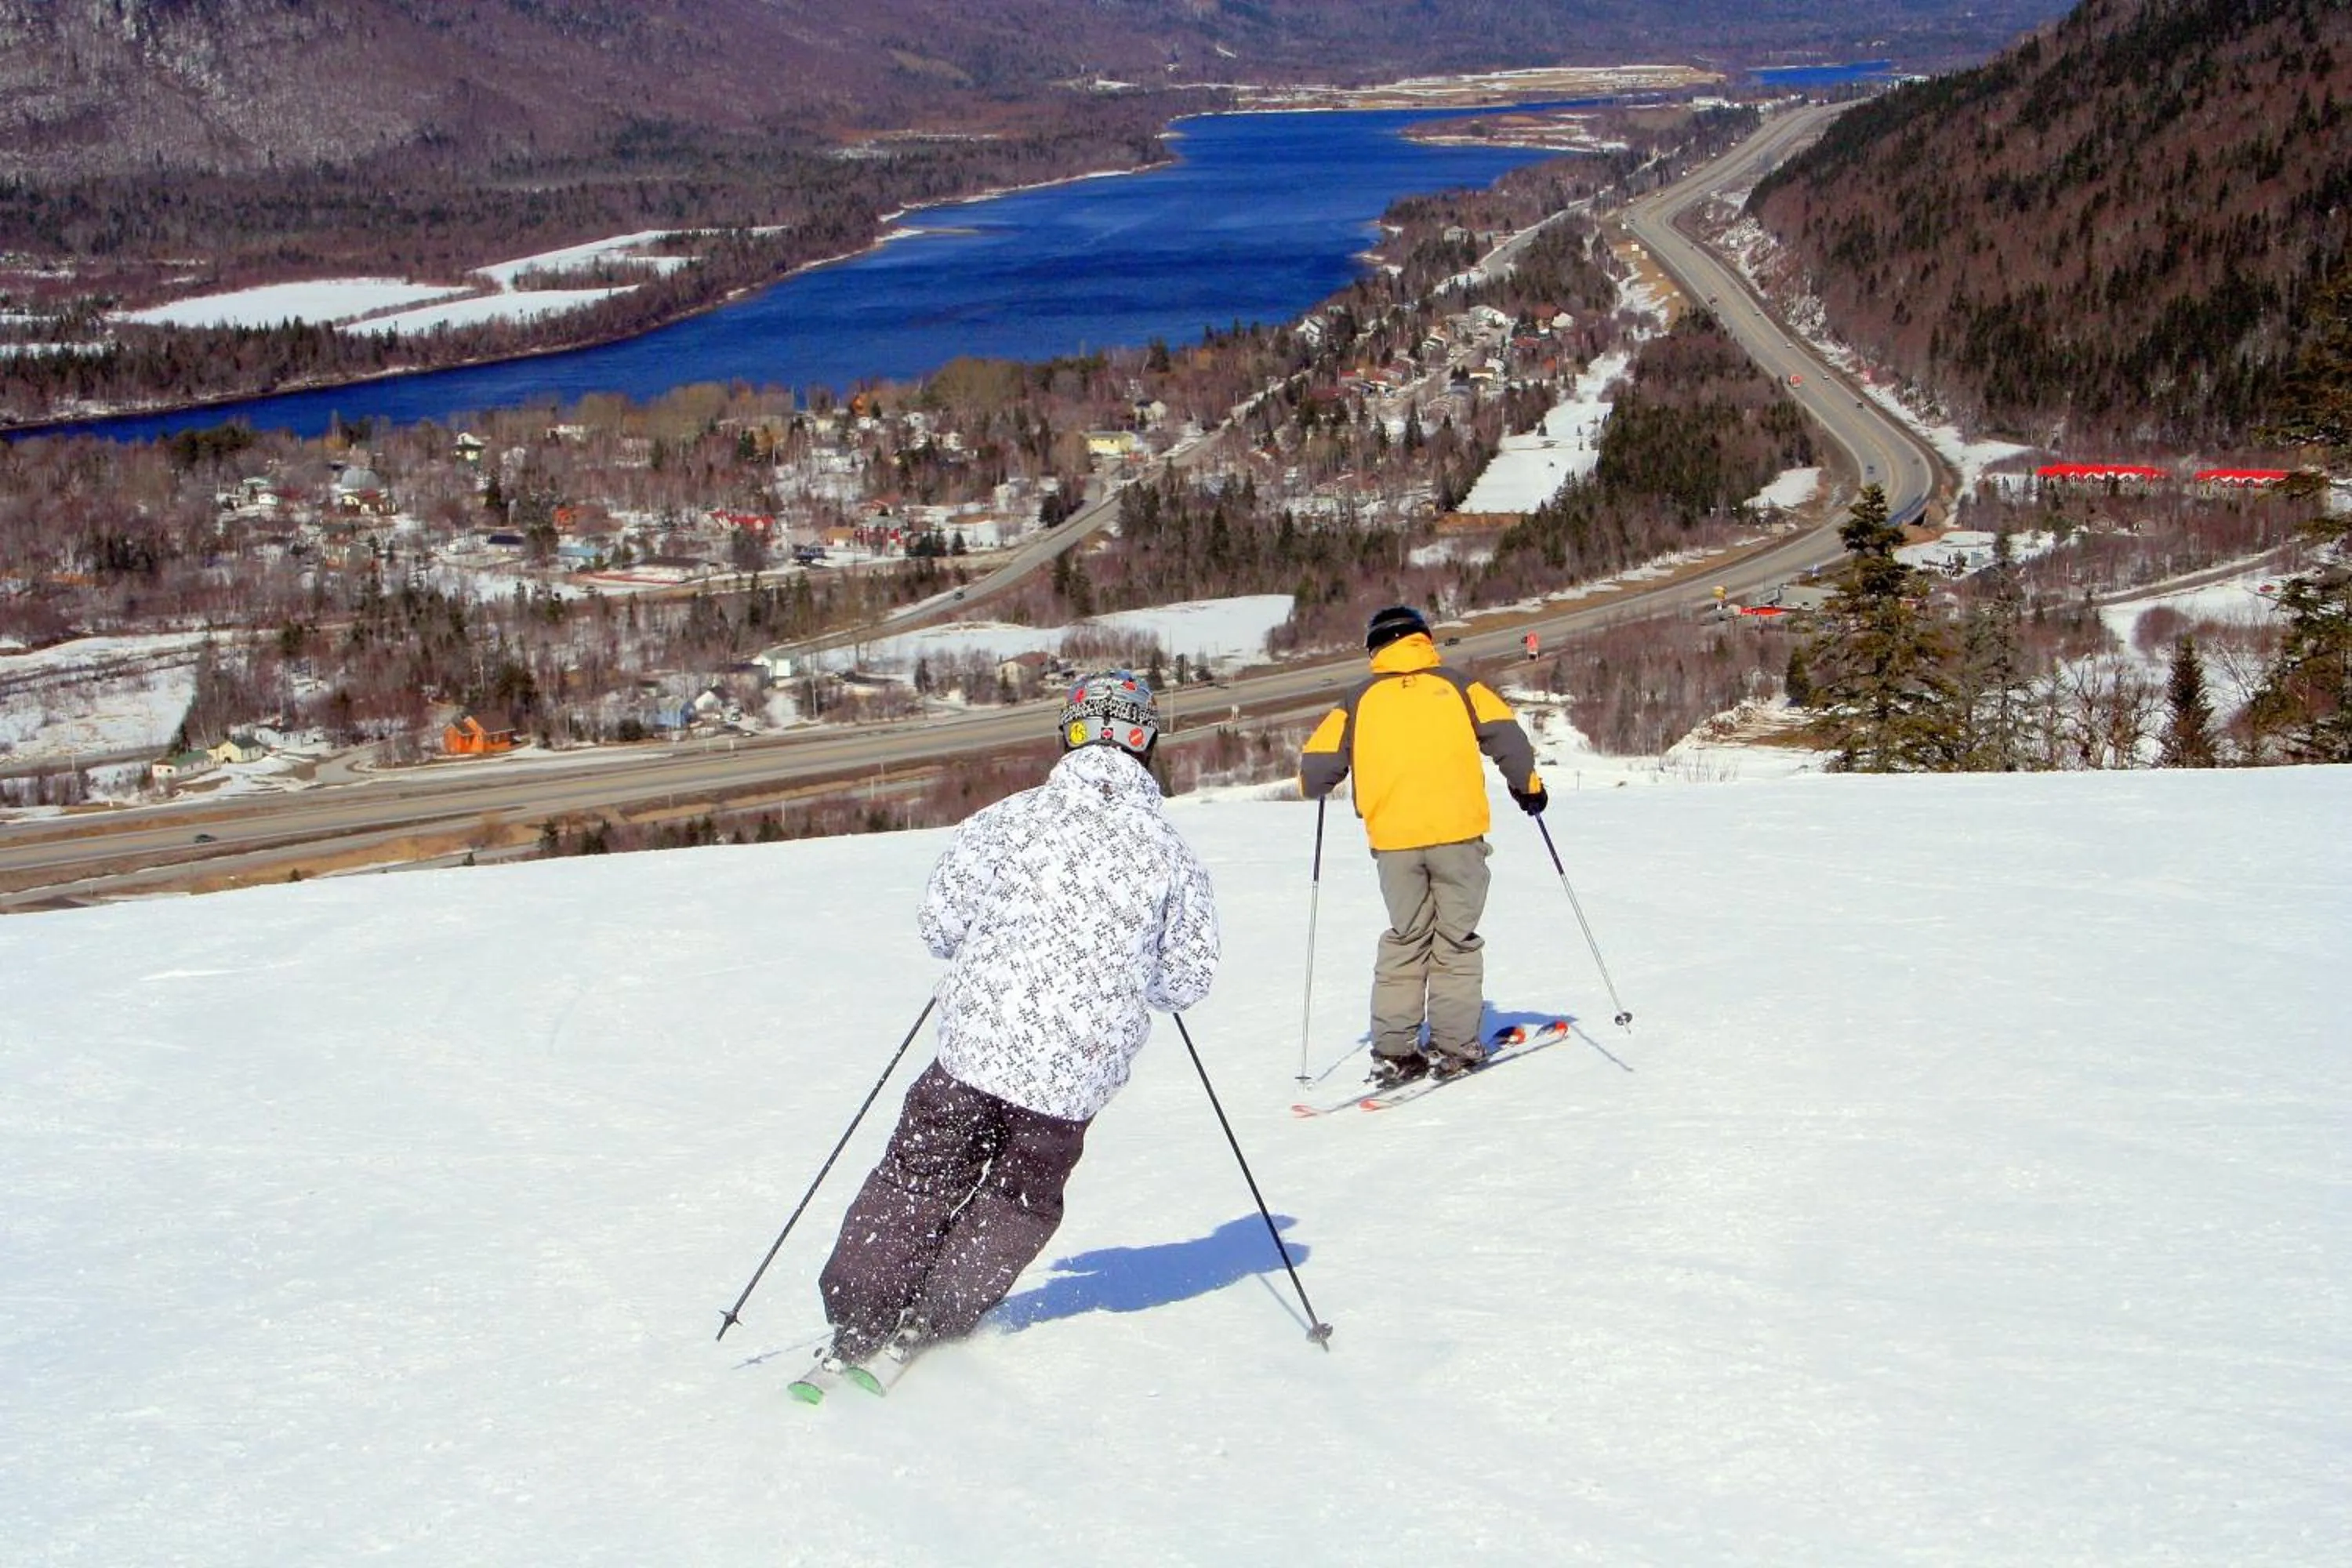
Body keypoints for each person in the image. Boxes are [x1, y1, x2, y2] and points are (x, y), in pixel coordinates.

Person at [815, 670, 1220, 1366]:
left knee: (919, 1174)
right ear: (1145, 743)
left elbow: (941, 926)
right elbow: (1186, 979)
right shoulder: (1171, 854)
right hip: (1071, 1083)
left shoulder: (1007, 819)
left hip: (973, 1053)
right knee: (1019, 1198)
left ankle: (861, 1312)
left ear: (1069, 732)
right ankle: (940, 1318)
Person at [1298, 604, 1546, 1088]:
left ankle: (1394, 1050)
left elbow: (1313, 774)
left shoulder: (1357, 700)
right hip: (1457, 836)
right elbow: (1508, 737)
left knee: (1407, 938)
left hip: (1394, 843)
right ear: (1424, 640)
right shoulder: (1459, 685)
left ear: (1375, 648)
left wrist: (1329, 776)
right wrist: (1528, 786)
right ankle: (1454, 1047)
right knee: (1454, 940)